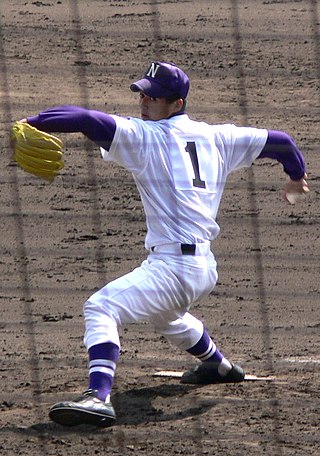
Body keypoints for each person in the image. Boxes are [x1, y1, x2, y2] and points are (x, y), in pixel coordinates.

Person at [19, 61, 309, 428]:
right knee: (167, 316)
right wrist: (296, 177)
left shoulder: (146, 137)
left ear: (177, 103)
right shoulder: (219, 137)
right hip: (201, 269)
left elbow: (86, 119)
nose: (144, 102)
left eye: (153, 97)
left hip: (174, 267)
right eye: (142, 93)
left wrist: (32, 122)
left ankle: (98, 397)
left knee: (101, 307)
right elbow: (282, 142)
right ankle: (218, 366)